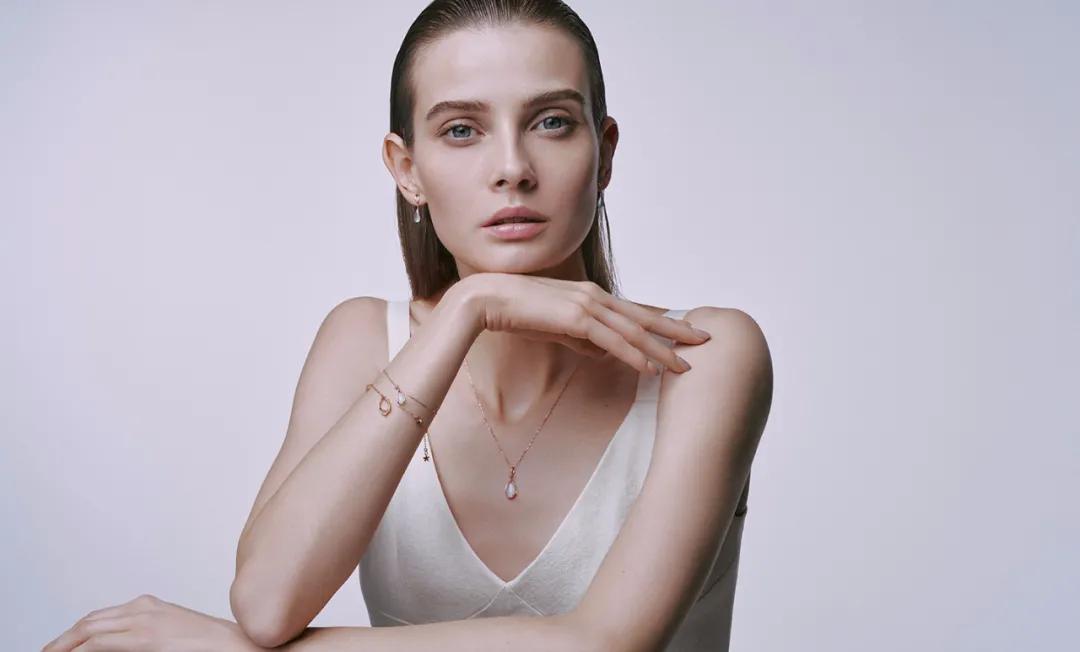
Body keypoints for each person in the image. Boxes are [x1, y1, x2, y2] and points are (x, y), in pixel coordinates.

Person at [41, 2, 772, 651]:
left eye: (551, 122)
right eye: (462, 130)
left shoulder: (704, 358)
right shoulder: (362, 341)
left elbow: (606, 643)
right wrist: (466, 309)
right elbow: (265, 606)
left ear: (604, 151)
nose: (512, 167)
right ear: (406, 168)